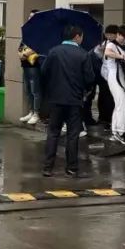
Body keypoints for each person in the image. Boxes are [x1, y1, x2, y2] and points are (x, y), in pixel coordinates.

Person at [41, 25, 96, 177]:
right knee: (73, 134)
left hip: (56, 99)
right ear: (77, 36)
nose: (82, 39)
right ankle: (72, 167)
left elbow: (44, 72)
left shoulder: (54, 52)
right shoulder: (83, 54)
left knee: (53, 133)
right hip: (74, 100)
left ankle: (47, 167)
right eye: (82, 36)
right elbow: (90, 78)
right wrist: (85, 91)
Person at [99, 25, 125, 144]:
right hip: (114, 76)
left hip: (119, 76)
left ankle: (115, 132)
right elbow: (108, 52)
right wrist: (123, 56)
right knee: (123, 104)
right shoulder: (111, 44)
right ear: (117, 34)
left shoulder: (122, 46)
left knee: (119, 104)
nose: (124, 38)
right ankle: (120, 132)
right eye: (123, 36)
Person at [18, 10, 42, 126]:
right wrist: (21, 54)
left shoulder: (40, 32)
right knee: (28, 90)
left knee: (35, 90)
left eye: (33, 17)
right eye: (29, 17)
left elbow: (39, 47)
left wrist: (25, 54)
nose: (30, 19)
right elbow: (20, 47)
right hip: (25, 65)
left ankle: (36, 113)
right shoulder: (27, 32)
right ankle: (31, 111)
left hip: (35, 66)